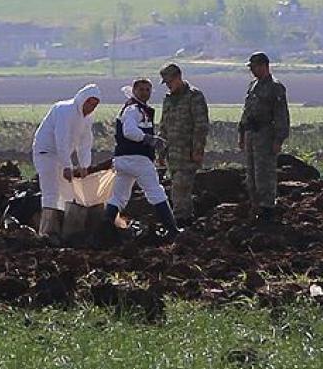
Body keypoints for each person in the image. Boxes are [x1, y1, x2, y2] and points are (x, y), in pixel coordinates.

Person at [104, 79, 179, 236]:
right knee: (156, 192)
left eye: (148, 89)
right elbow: (129, 131)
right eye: (141, 89)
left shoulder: (138, 109)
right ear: (134, 90)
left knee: (118, 197)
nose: (145, 92)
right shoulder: (134, 109)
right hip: (138, 159)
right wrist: (149, 139)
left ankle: (104, 230)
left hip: (123, 160)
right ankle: (173, 231)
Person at [32, 84, 101, 240]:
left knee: (67, 193)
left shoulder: (87, 118)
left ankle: (65, 231)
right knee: (51, 192)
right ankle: (46, 232)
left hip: (62, 155)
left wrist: (84, 166)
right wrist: (67, 166)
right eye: (89, 102)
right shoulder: (65, 110)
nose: (91, 107)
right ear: (82, 99)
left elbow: (85, 142)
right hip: (47, 153)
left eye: (95, 104)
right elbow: (61, 139)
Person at [238, 52, 290, 222]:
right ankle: (256, 206)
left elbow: (281, 115)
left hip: (266, 135)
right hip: (251, 134)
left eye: (254, 67)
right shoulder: (253, 85)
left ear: (264, 66)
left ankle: (268, 207)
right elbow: (246, 111)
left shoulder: (275, 87)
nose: (252, 71)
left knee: (264, 174)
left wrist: (278, 139)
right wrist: (241, 133)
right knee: (251, 175)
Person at [157, 63, 210, 225]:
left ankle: (181, 218)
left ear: (178, 78)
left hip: (188, 151)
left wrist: (198, 149)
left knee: (181, 186)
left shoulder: (194, 96)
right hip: (172, 152)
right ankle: (185, 217)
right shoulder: (168, 100)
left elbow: (201, 126)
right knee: (178, 186)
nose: (168, 85)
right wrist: (161, 152)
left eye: (169, 81)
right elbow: (163, 126)